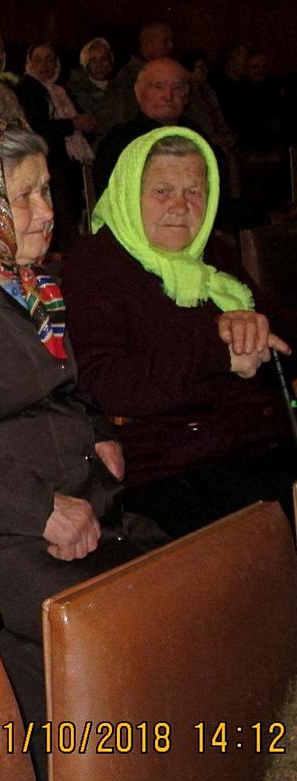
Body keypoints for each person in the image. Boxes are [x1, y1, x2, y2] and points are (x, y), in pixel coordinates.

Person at [0, 120, 167, 781]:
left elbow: (63, 382)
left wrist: (97, 425)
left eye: (47, 191)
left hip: (86, 500)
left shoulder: (20, 276)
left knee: (181, 586)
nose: (46, 212)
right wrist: (34, 508)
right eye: (23, 197)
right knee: (120, 636)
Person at [61, 128, 296, 537]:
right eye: (162, 191)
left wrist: (254, 328)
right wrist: (218, 347)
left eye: (194, 191)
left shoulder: (212, 253)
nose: (180, 206)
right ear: (129, 194)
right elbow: (106, 384)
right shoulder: (97, 262)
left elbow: (286, 341)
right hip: (172, 470)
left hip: (256, 444)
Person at [16, 42, 94, 248]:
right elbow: (35, 126)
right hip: (48, 162)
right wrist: (72, 124)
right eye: (38, 60)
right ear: (29, 63)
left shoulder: (59, 91)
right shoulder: (27, 90)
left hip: (66, 162)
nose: (44, 65)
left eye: (49, 60)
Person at [94, 58, 207, 195]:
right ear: (138, 92)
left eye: (177, 88)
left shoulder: (197, 136)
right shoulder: (119, 141)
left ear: (186, 96)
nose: (168, 96)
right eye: (158, 87)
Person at [110, 22, 173, 126]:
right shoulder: (130, 76)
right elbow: (128, 115)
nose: (171, 45)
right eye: (165, 41)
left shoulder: (167, 72)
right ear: (148, 44)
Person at [66, 37, 120, 144]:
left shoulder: (119, 89)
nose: (99, 65)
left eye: (103, 59)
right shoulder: (75, 90)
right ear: (86, 64)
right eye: (93, 60)